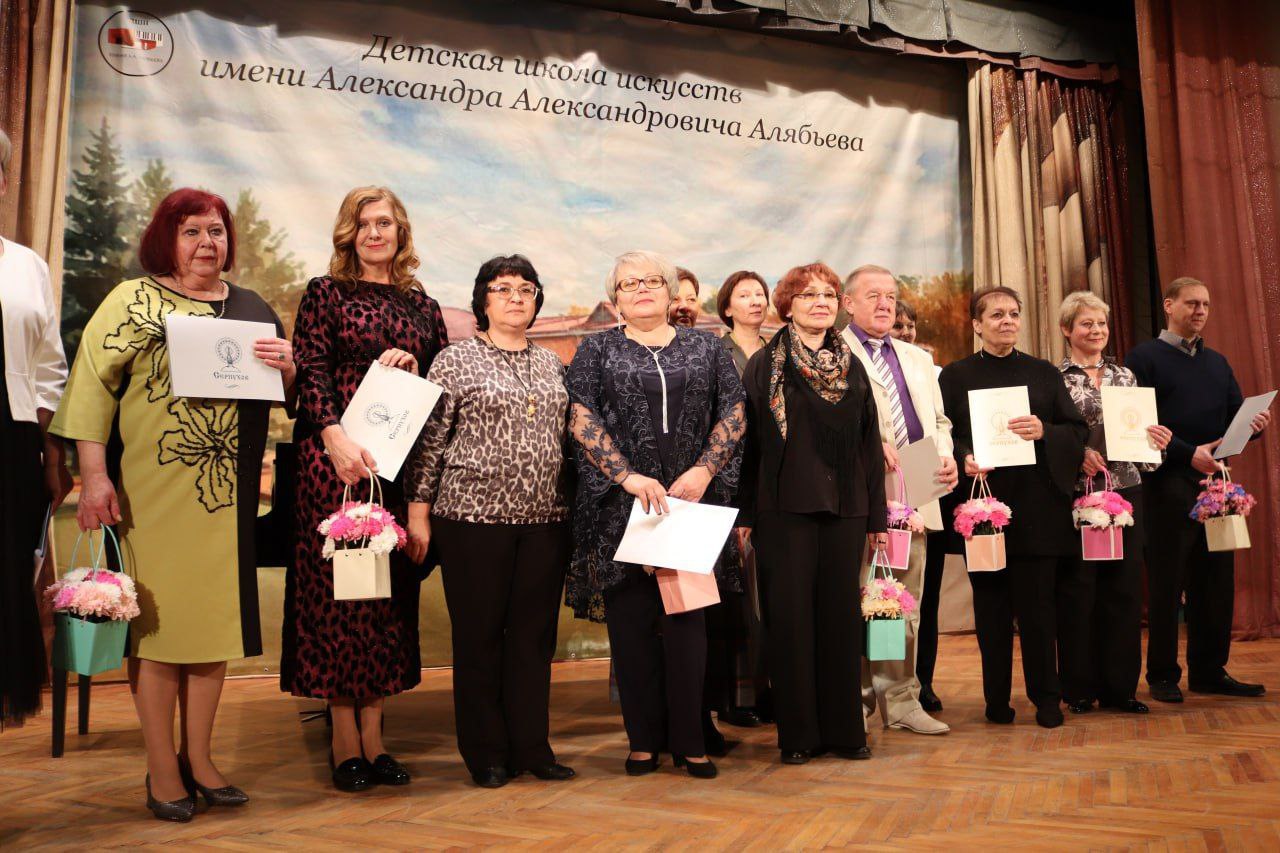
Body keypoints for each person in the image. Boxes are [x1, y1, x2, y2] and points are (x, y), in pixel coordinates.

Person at [51, 189, 294, 820]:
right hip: (150, 497)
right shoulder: (132, 300)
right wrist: (94, 476)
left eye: (216, 231)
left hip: (226, 497)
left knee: (211, 627)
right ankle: (162, 768)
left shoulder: (251, 308)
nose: (206, 243)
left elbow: (282, 394)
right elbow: (91, 389)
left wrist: (289, 368)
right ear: (167, 238)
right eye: (191, 231)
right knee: (157, 633)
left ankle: (201, 760)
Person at [282, 186, 448, 793]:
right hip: (334, 465)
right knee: (338, 599)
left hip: (394, 465)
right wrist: (333, 436)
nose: (373, 233)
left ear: (401, 232)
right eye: (362, 224)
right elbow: (311, 367)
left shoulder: (423, 307)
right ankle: (342, 740)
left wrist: (413, 369)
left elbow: (438, 386)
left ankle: (375, 739)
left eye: (383, 222)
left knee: (382, 600)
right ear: (347, 234)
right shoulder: (326, 292)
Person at [565, 250, 746, 780]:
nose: (641, 288)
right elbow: (580, 416)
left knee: (688, 629)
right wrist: (626, 477)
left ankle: (691, 742)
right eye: (629, 283)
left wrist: (705, 470)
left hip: (689, 505)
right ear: (615, 298)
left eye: (652, 281)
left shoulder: (705, 347)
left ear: (670, 293)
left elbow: (734, 412)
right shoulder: (597, 349)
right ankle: (643, 742)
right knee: (632, 630)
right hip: (622, 508)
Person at [405, 255, 574, 789]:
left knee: (533, 640)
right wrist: (417, 512)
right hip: (471, 519)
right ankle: (486, 753)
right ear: (483, 301)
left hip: (546, 519)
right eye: (503, 289)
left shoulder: (551, 364)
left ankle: (532, 747)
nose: (516, 297)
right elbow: (430, 442)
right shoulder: (454, 360)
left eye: (526, 289)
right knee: (479, 639)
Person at [737, 262, 887, 764]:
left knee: (840, 621)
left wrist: (876, 518)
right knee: (792, 622)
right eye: (808, 295)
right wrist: (745, 515)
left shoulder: (852, 365)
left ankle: (846, 732)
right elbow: (751, 446)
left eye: (827, 294)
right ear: (788, 306)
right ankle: (799, 735)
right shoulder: (766, 364)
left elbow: (869, 445)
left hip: (846, 509)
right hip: (784, 511)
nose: (820, 302)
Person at [938, 286, 1087, 729]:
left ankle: (1047, 700)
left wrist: (1045, 430)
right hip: (984, 509)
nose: (1007, 321)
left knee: (1040, 613)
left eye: (1014, 314)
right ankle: (996, 701)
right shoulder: (956, 376)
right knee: (991, 611)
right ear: (977, 324)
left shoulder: (1043, 372)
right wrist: (963, 455)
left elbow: (1075, 430)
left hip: (1038, 508)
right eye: (997, 314)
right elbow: (945, 433)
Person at [1126, 278, 1271, 702]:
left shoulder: (1217, 363)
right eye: (1192, 303)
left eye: (1205, 304)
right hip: (1165, 484)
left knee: (1216, 580)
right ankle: (1162, 675)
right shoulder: (1143, 359)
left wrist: (1254, 427)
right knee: (1168, 582)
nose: (1200, 310)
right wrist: (1188, 454)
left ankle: (1209, 670)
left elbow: (1233, 418)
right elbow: (1137, 426)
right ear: (1169, 305)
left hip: (1215, 486)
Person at [840, 264, 957, 736]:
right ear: (848, 303)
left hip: (918, 481)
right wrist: (870, 447)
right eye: (872, 295)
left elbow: (940, 422)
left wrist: (945, 457)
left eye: (890, 295)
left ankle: (901, 699)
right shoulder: (833, 353)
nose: (884, 303)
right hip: (862, 487)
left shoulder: (917, 357)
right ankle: (856, 699)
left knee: (904, 600)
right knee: (860, 597)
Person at [1056, 291, 1173, 716]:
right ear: (1067, 329)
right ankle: (1078, 689)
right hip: (1078, 494)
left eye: (1101, 323)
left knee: (1123, 590)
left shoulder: (1126, 376)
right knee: (1080, 590)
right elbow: (1052, 438)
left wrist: (1156, 441)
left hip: (1126, 490)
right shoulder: (1055, 379)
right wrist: (1077, 454)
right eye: (1086, 323)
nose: (1096, 331)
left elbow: (1142, 439)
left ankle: (1121, 689)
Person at [0, 126, 71, 731]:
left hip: (12, 438)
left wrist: (51, 456)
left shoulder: (27, 266)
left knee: (5, 581)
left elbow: (50, 369)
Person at [711, 269, 774, 728]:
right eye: (745, 295)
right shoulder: (716, 352)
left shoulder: (780, 351)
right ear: (727, 307)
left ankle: (773, 689)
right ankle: (737, 698)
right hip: (730, 477)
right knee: (736, 593)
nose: (755, 301)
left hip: (774, 477)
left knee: (772, 593)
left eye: (760, 294)